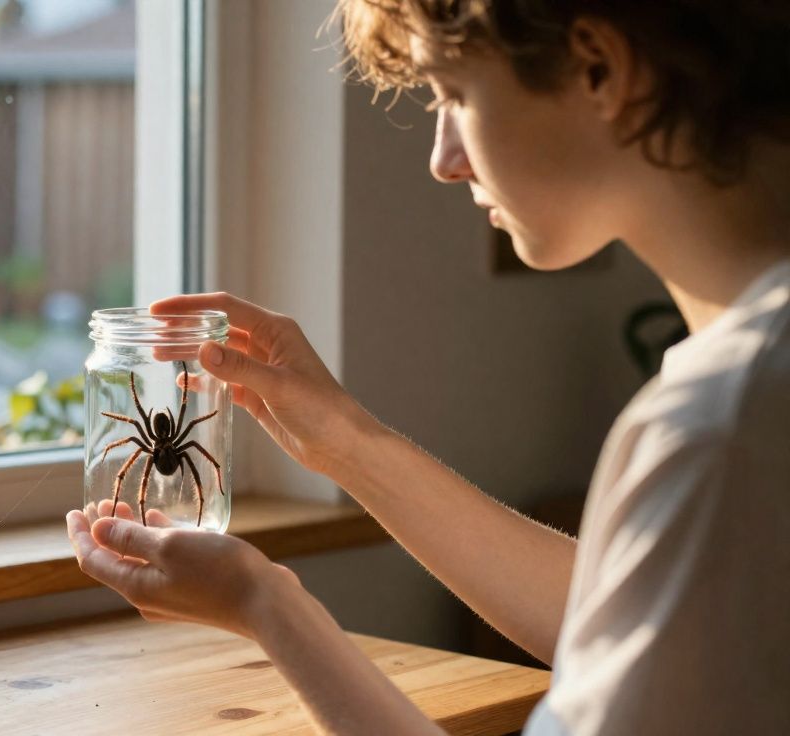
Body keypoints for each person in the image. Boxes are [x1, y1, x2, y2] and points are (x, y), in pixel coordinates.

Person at [67, 1, 790, 733]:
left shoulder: (728, 426)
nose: (442, 160)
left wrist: (266, 605)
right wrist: (345, 442)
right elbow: (635, 613)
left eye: (453, 94)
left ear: (602, 69)